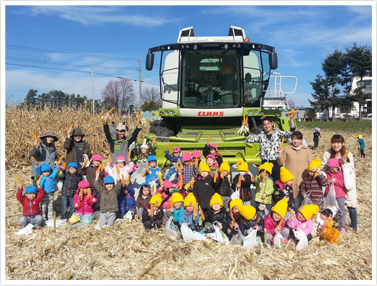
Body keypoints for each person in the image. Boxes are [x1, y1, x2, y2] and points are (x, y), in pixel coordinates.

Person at [321, 134, 358, 232]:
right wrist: (325, 179)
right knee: (332, 205)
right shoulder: (327, 153)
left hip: (346, 182)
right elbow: (323, 167)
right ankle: (329, 223)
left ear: (343, 144)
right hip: (333, 185)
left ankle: (354, 225)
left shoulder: (347, 154)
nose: (335, 145)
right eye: (333, 142)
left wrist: (344, 163)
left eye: (338, 143)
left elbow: (351, 170)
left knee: (350, 205)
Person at [244, 114, 297, 181]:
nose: (267, 126)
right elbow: (248, 139)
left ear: (272, 124)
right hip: (265, 164)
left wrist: (291, 119)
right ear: (263, 126)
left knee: (277, 183)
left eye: (268, 124)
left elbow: (292, 133)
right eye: (265, 124)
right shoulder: (261, 136)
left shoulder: (278, 134)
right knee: (264, 184)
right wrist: (246, 128)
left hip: (276, 164)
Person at [277, 131, 312, 212]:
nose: (296, 141)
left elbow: (310, 163)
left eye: (298, 139)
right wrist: (279, 153)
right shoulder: (286, 148)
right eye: (294, 139)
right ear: (291, 139)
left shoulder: (306, 150)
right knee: (291, 198)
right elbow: (280, 162)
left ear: (301, 140)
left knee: (302, 198)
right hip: (290, 180)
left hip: (303, 178)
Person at [324, 158, 347, 233]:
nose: (331, 170)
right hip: (330, 196)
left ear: (337, 167)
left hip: (339, 195)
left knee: (341, 211)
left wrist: (334, 180)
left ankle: (343, 226)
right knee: (329, 211)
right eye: (330, 168)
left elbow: (343, 184)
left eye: (333, 168)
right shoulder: (327, 174)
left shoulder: (341, 174)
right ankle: (328, 225)